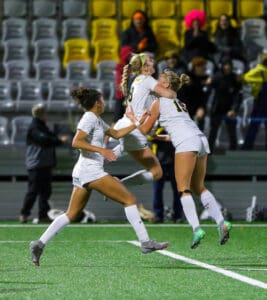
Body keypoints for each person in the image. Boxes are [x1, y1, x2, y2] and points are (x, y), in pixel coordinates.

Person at [29, 88, 169, 266]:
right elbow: (76, 142)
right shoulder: (89, 118)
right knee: (129, 199)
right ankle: (145, 242)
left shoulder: (96, 119)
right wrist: (102, 150)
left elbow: (116, 134)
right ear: (97, 103)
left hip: (82, 171)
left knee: (71, 214)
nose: (104, 103)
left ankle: (39, 244)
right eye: (102, 100)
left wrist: (137, 123)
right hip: (91, 171)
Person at [136, 70, 232, 249]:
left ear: (166, 85)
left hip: (187, 142)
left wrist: (135, 121)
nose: (156, 83)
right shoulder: (181, 103)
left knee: (184, 189)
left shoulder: (158, 102)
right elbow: (178, 130)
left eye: (159, 81)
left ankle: (196, 228)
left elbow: (144, 130)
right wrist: (159, 137)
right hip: (200, 139)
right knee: (199, 187)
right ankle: (221, 223)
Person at [111, 52, 176, 189]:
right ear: (144, 67)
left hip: (126, 126)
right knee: (157, 173)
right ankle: (118, 185)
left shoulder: (136, 80)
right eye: (150, 60)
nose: (154, 61)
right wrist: (173, 89)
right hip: (135, 130)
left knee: (123, 148)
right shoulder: (147, 80)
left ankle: (92, 164)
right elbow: (170, 95)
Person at [19, 104, 70, 224]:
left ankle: (43, 215)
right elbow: (45, 140)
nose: (47, 116)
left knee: (45, 192)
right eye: (45, 113)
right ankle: (24, 214)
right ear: (41, 114)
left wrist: (58, 139)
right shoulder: (35, 127)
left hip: (44, 164)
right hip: (36, 164)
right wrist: (59, 140)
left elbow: (50, 138)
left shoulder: (42, 126)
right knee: (33, 191)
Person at [207, 57, 243, 152]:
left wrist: (234, 109)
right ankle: (209, 151)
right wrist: (208, 83)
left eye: (229, 65)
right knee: (213, 131)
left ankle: (233, 151)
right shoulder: (216, 77)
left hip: (229, 108)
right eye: (225, 65)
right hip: (217, 108)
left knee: (232, 131)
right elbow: (209, 92)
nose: (227, 67)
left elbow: (238, 96)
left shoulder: (235, 78)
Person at [149, 125, 183, 223]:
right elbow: (151, 136)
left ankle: (178, 215)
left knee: (178, 190)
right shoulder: (157, 124)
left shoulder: (176, 124)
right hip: (159, 161)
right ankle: (158, 215)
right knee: (157, 190)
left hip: (176, 160)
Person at [177, 56, 211, 131]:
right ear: (196, 67)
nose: (204, 68)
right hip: (184, 108)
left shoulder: (206, 79)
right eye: (202, 66)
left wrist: (202, 108)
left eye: (204, 66)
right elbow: (181, 95)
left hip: (197, 108)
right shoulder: (188, 77)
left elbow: (204, 96)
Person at [242, 52, 267, 150]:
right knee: (254, 126)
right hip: (260, 102)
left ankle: (246, 148)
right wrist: (255, 86)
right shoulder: (259, 70)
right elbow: (245, 78)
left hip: (261, 102)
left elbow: (244, 78)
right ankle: (247, 147)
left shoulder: (260, 69)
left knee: (253, 126)